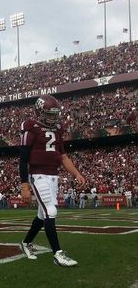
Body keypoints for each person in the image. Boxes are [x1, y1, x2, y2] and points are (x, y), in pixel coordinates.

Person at [19, 94, 85, 267]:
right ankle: (57, 254)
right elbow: (23, 159)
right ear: (40, 112)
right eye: (49, 114)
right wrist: (24, 184)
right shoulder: (30, 127)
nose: (53, 117)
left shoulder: (57, 129)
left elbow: (63, 156)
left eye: (55, 113)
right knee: (51, 211)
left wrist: (76, 173)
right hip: (38, 175)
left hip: (53, 175)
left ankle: (26, 243)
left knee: (42, 215)